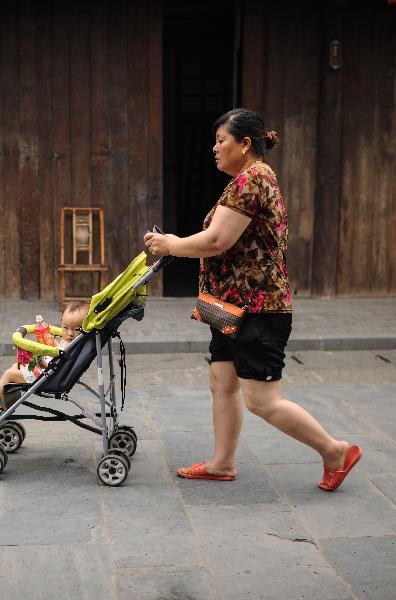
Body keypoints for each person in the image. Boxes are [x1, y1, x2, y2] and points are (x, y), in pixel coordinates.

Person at [143, 109, 361, 491]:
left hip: (258, 309)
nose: (214, 149)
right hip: (226, 304)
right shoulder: (247, 180)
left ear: (244, 144)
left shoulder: (252, 180)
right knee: (221, 382)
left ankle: (334, 451)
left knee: (262, 399)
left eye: (221, 141)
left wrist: (172, 245)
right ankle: (222, 463)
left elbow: (216, 241)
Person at [0, 300, 90, 416]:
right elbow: (61, 352)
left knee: (9, 374)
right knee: (17, 366)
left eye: (76, 329)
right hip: (49, 373)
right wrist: (53, 342)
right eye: (65, 327)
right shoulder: (74, 342)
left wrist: (40, 361)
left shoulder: (75, 346)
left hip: (50, 378)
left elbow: (60, 364)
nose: (69, 333)